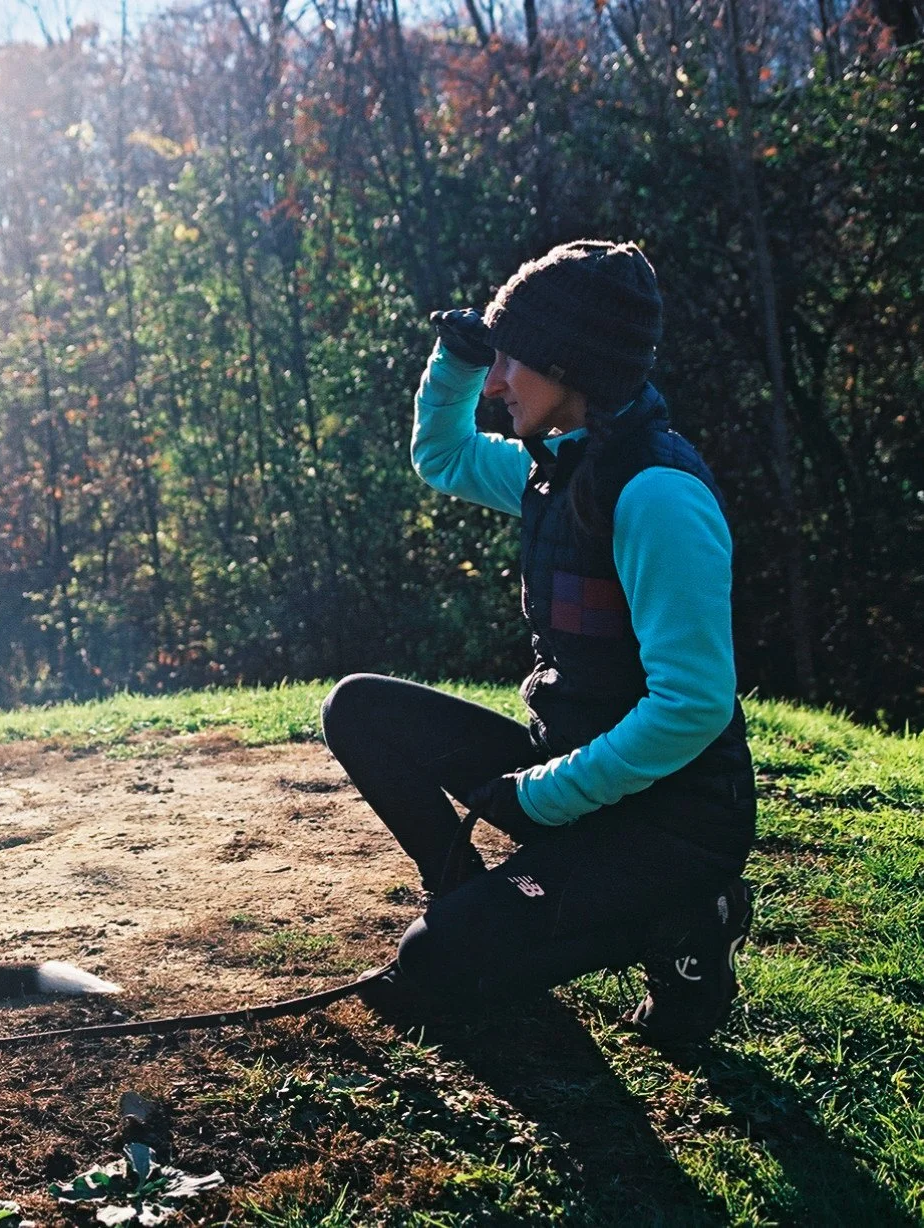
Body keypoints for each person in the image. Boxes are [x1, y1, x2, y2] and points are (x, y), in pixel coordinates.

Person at [322, 240, 756, 1044]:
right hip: (573, 775)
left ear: (571, 363)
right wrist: (453, 360)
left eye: (508, 360)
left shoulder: (658, 496)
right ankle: (459, 896)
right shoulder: (554, 467)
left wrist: (541, 794)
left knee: (432, 973)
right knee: (358, 709)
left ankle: (690, 916)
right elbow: (443, 455)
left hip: (672, 824)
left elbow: (692, 707)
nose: (493, 383)